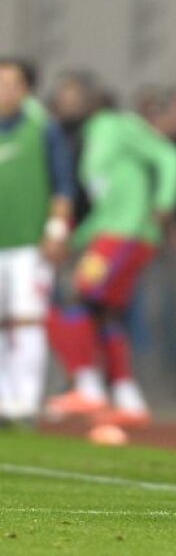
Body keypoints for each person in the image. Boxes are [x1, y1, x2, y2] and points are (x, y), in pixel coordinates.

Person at [46, 84, 176, 427]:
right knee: (107, 313)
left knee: (74, 296)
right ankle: (127, 398)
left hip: (125, 234)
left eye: (74, 90)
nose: (65, 99)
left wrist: (165, 203)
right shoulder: (92, 137)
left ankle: (89, 388)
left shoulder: (118, 124)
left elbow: (171, 157)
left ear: (95, 100)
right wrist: (77, 237)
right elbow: (107, 203)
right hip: (112, 233)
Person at [0, 58, 72, 424]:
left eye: (11, 83)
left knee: (26, 320)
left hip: (30, 244)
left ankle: (24, 402)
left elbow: (63, 185)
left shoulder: (42, 127)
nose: (3, 90)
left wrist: (56, 232)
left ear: (25, 88)